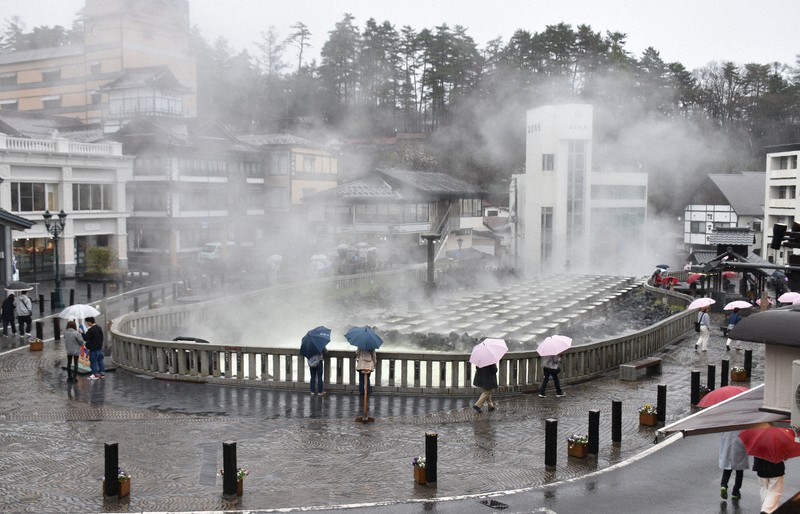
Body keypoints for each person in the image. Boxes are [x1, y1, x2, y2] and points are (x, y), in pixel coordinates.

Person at [719, 430, 748, 501]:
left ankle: (724, 485)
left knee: (727, 469)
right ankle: (735, 491)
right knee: (739, 471)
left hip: (727, 443)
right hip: (739, 443)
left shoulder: (727, 421)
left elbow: (721, 432)